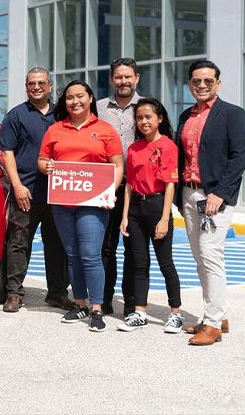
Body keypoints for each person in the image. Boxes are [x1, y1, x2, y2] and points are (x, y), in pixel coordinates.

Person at [38, 80, 123, 332]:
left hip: (94, 203)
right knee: (73, 256)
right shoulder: (55, 129)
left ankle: (97, 309)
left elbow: (118, 166)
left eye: (80, 96)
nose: (75, 101)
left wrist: (110, 192)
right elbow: (42, 161)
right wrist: (48, 167)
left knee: (90, 255)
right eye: (69, 97)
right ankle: (80, 304)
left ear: (90, 98)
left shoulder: (105, 129)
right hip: (63, 202)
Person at [176, 60, 245, 345]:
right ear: (189, 84)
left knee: (210, 255)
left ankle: (214, 324)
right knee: (200, 258)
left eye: (208, 81)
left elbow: (239, 157)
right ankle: (214, 314)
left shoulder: (232, 114)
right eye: (196, 81)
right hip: (189, 194)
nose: (202, 85)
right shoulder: (185, 115)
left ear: (218, 83)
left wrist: (220, 193)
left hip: (215, 196)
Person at [0, 67, 73, 313]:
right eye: (32, 83)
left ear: (50, 86)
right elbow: (6, 152)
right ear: (26, 87)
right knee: (18, 243)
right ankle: (14, 294)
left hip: (58, 192)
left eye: (41, 83)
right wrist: (17, 185)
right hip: (26, 192)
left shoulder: (62, 115)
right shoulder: (16, 115)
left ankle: (57, 294)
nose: (37, 87)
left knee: (57, 245)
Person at [118, 98, 182, 333]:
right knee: (139, 264)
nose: (143, 121)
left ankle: (175, 313)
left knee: (166, 264)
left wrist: (165, 218)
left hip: (157, 207)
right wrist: (125, 217)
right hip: (135, 210)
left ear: (159, 119)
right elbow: (128, 186)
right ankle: (140, 312)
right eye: (139, 117)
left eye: (148, 117)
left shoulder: (167, 146)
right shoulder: (133, 148)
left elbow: (169, 186)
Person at [96, 57, 141, 316]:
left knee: (133, 248)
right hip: (105, 185)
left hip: (136, 188)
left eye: (128, 76)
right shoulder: (99, 108)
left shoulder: (147, 107)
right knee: (106, 246)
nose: (123, 81)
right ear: (112, 79)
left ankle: (132, 302)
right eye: (118, 77)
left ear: (137, 78)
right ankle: (104, 298)